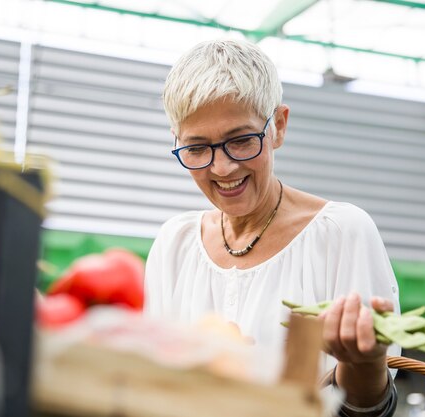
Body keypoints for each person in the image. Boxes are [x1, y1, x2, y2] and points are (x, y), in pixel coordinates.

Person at [143, 38, 401, 416]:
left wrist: (363, 364)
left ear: (278, 126)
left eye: (242, 140)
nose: (222, 168)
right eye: (197, 148)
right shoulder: (174, 244)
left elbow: (370, 406)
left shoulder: (341, 234)